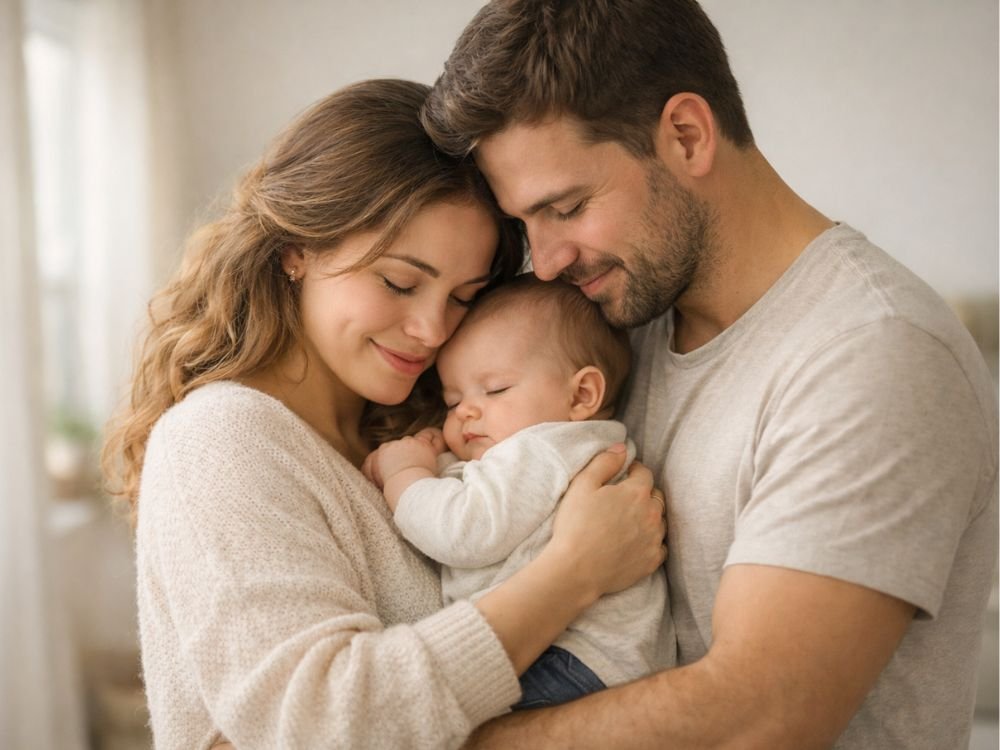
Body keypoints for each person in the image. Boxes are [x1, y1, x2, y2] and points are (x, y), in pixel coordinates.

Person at [420, 1, 1000, 748]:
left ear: (687, 136)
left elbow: (759, 716)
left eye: (565, 207)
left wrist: (417, 735)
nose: (549, 259)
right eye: (527, 224)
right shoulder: (612, 318)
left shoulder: (874, 353)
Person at [102, 78, 667, 750]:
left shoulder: (412, 427)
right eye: (399, 282)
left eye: (463, 296)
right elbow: (321, 723)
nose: (431, 330)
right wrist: (575, 571)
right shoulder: (220, 438)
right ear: (297, 251)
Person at [363, 275, 674, 710]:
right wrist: (443, 462)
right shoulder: (564, 448)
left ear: (582, 394)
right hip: (596, 662)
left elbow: (465, 529)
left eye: (496, 389)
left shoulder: (542, 448)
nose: (467, 411)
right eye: (453, 401)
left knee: (423, 720)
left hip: (571, 663)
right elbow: (503, 498)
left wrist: (406, 475)